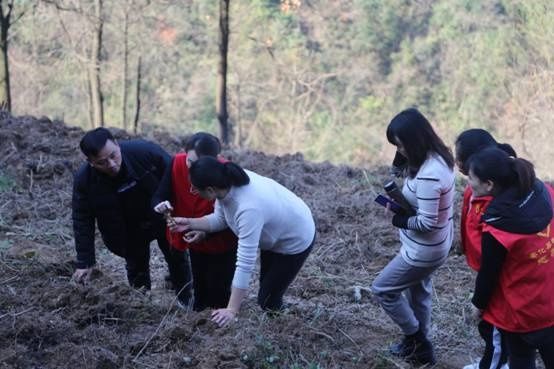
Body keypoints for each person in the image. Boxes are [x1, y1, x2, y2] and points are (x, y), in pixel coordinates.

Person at [168, 157, 316, 327]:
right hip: (276, 231)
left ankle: (290, 328)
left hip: (295, 238)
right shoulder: (226, 183)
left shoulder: (248, 208)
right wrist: (189, 222)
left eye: (195, 188)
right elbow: (220, 218)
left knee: (267, 300)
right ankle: (274, 318)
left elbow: (245, 263)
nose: (192, 190)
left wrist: (231, 310)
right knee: (266, 291)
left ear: (210, 190)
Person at [371, 108, 456, 366]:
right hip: (433, 244)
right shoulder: (434, 157)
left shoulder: (430, 173)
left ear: (415, 140)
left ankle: (419, 341)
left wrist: (399, 219)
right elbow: (423, 206)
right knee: (418, 293)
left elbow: (428, 222)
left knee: (383, 289)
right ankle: (417, 342)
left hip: (424, 250)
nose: (400, 150)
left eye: (400, 145)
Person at [71, 127, 192, 307]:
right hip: (124, 227)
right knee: (136, 266)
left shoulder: (145, 152)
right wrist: (85, 261)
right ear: (90, 162)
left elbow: (176, 176)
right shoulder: (85, 181)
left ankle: (186, 299)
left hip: (162, 214)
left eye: (113, 156)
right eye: (102, 162)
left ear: (118, 146)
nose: (111, 164)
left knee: (176, 256)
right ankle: (142, 305)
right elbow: (82, 220)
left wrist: (186, 215)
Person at [467, 148, 554, 369]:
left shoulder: (498, 225)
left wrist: (478, 304)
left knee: (521, 359)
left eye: (470, 178)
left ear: (489, 185)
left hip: (521, 310)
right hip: (550, 298)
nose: (468, 184)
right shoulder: (544, 192)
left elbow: (489, 272)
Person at [152, 132, 237, 312]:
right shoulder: (176, 163)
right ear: (185, 152)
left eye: (202, 164)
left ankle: (219, 329)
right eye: (191, 162)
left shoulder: (226, 172)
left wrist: (206, 233)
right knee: (200, 290)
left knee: (218, 292)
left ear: (217, 159)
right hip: (194, 239)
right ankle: (198, 320)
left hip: (222, 241)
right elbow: (160, 194)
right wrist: (161, 205)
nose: (194, 171)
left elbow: (233, 218)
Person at [455, 129, 516, 369]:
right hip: (484, 265)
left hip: (497, 270)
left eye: (461, 158)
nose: (457, 164)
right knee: (490, 321)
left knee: (493, 323)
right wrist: (463, 242)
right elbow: (468, 216)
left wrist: (481, 298)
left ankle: (495, 364)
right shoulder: (477, 183)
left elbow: (497, 250)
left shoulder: (498, 195)